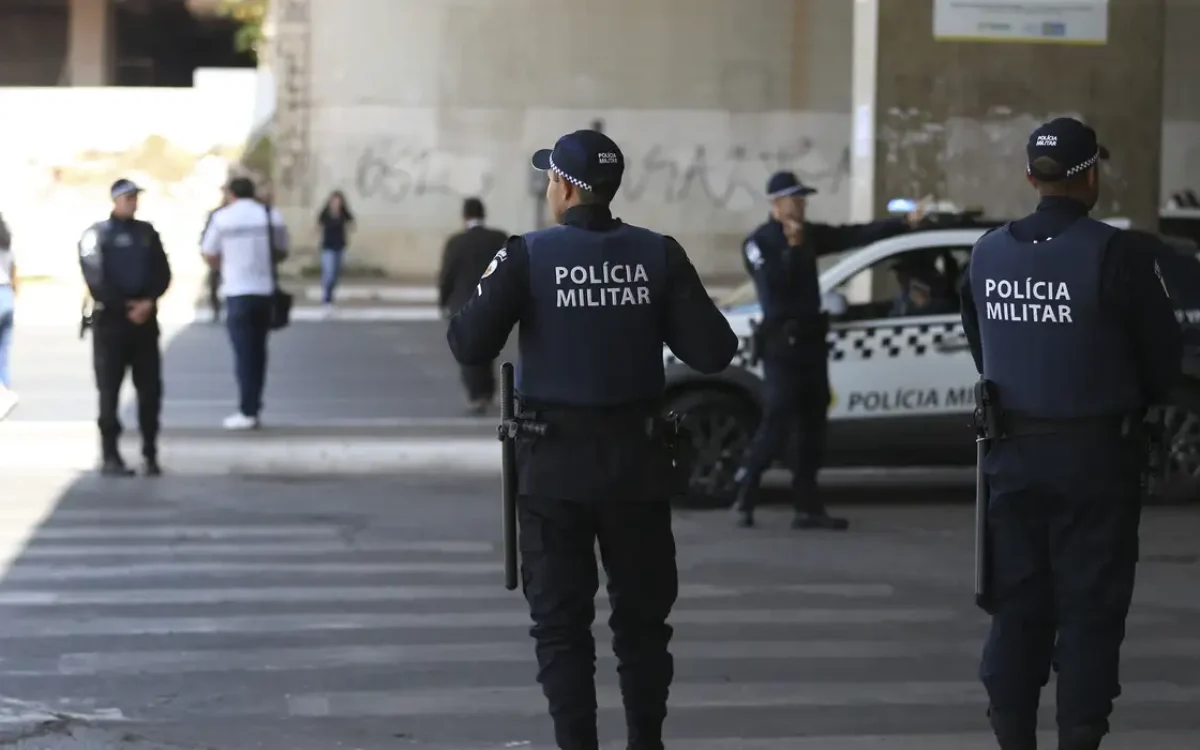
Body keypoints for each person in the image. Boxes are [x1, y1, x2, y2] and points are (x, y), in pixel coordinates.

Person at [447, 129, 738, 750]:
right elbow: (714, 351)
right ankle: (645, 742)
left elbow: (468, 343)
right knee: (642, 625)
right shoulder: (658, 253)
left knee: (560, 625)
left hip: (553, 468)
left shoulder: (527, 253)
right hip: (636, 466)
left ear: (565, 187)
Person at [959, 117, 1183, 750]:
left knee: (1017, 607)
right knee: (1089, 610)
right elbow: (1163, 364)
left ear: (1032, 177)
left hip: (1012, 457)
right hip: (1096, 459)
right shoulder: (1120, 253)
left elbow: (984, 348)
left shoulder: (986, 252)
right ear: (1091, 177)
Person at [731, 171, 930, 529]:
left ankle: (807, 506)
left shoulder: (809, 235)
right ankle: (746, 492)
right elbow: (774, 287)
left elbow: (854, 234)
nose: (801, 204)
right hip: (781, 346)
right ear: (775, 203)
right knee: (777, 419)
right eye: (794, 198)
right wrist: (791, 251)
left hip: (811, 345)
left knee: (812, 425)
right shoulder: (759, 243)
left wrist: (903, 225)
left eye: (803, 198)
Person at [78, 179, 173, 475]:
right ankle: (110, 455)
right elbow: (95, 277)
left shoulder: (147, 233)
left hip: (144, 324)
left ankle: (150, 452)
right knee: (109, 390)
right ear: (115, 200)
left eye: (135, 197)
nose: (133, 202)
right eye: (128, 198)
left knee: (150, 391)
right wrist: (124, 306)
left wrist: (148, 302)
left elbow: (163, 271)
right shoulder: (97, 234)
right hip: (112, 324)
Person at [200, 176, 288, 431]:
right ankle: (254, 405)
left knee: (243, 354)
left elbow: (209, 252)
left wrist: (226, 266)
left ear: (231, 194)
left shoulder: (222, 218)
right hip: (264, 291)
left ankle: (247, 410)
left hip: (237, 292)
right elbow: (282, 250)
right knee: (259, 353)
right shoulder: (270, 215)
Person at [438, 197, 508, 414]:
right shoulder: (499, 238)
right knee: (488, 348)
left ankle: (478, 396)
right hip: (494, 300)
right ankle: (488, 391)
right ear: (483, 214)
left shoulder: (455, 242)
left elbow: (446, 276)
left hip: (463, 302)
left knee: (468, 352)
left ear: (465, 216)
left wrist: (443, 301)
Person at [316, 190, 355, 310]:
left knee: (336, 274)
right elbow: (318, 224)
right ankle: (326, 299)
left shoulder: (343, 214)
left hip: (339, 247)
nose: (336, 204)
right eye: (334, 201)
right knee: (329, 273)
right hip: (327, 247)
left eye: (338, 201)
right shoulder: (325, 213)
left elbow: (352, 222)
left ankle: (330, 297)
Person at [202, 187, 233, 323]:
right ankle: (216, 308)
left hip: (232, 255)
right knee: (214, 282)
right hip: (218, 254)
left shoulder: (232, 214)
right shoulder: (217, 214)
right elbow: (206, 234)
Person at [0, 211, 16, 419]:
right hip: (6, 294)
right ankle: (4, 389)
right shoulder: (6, 242)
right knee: (3, 351)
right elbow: (14, 271)